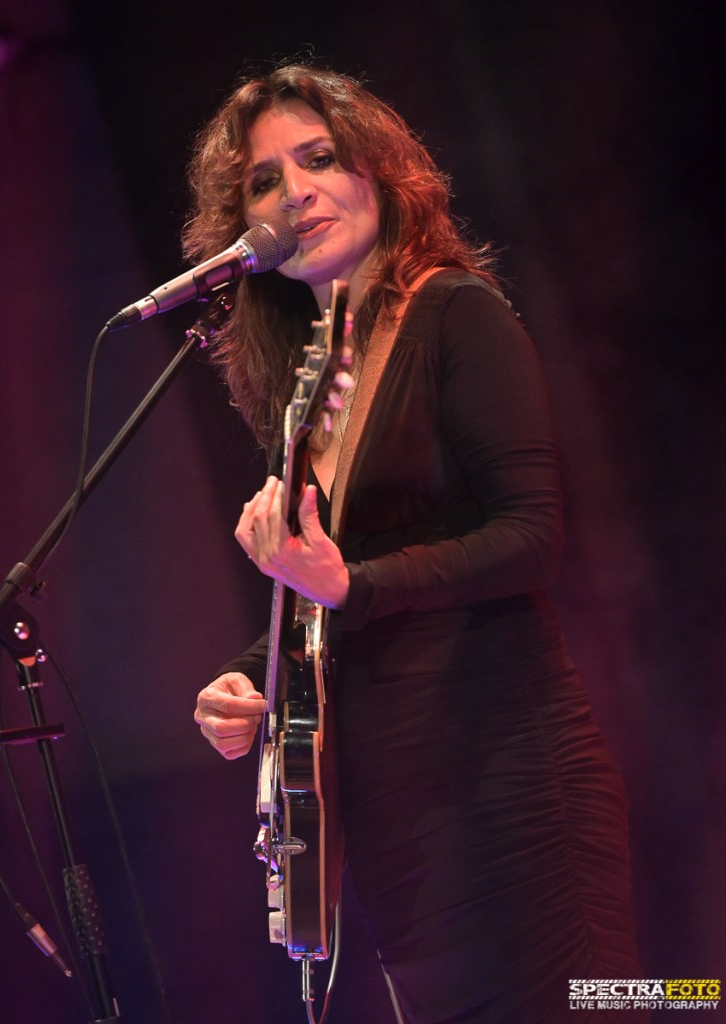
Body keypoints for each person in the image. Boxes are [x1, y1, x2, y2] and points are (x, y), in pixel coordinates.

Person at [191, 63, 645, 1023]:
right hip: (400, 828)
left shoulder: (454, 311)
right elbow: (330, 593)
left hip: (504, 787)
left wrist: (347, 583)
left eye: (319, 158)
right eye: (265, 180)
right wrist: (248, 674)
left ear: (379, 173)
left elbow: (529, 539)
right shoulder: (304, 388)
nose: (295, 192)